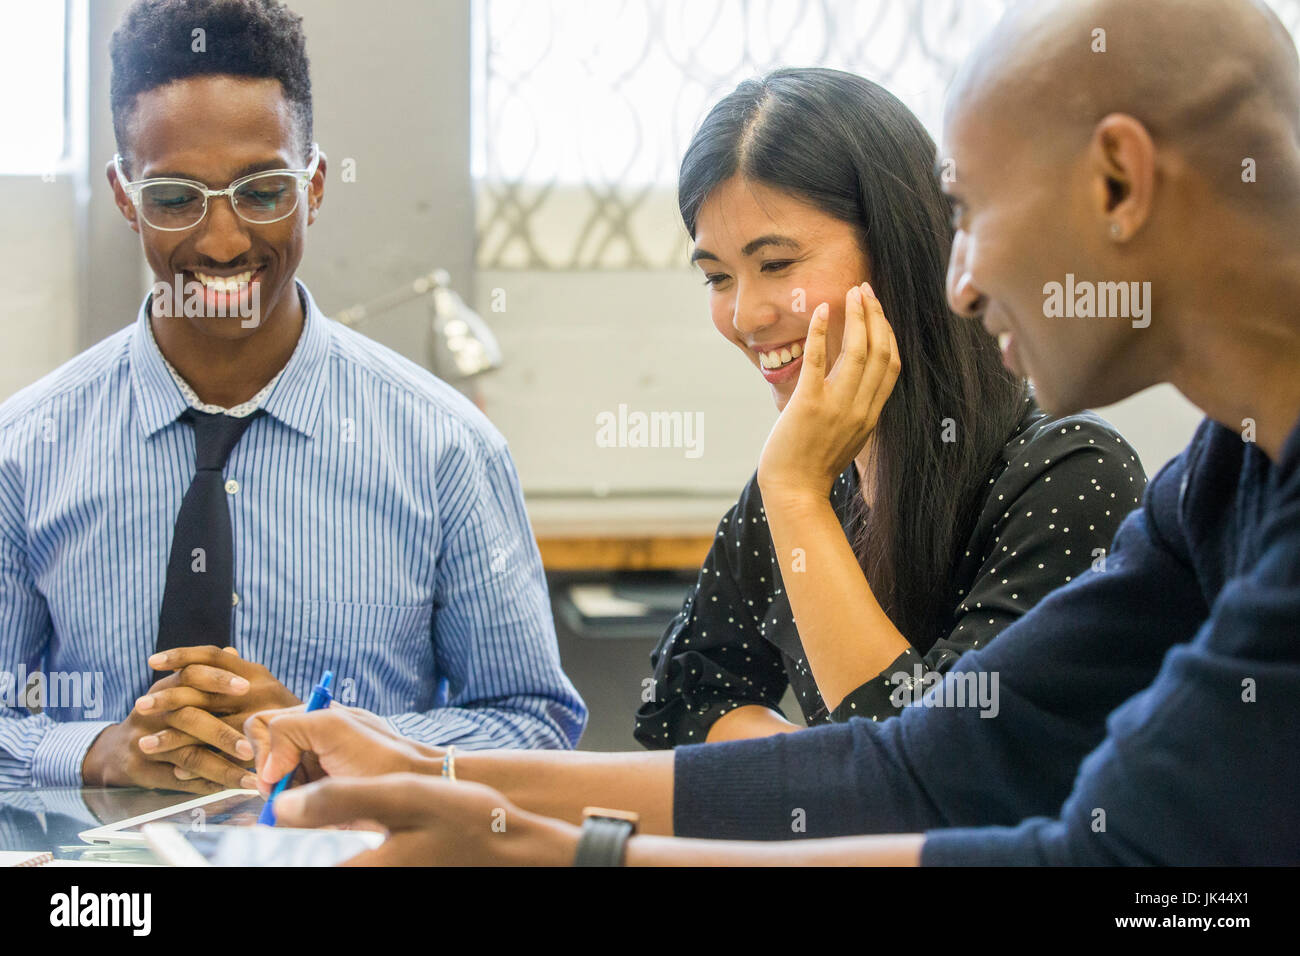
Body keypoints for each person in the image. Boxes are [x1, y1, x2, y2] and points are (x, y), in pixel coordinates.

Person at [243, 0, 1300, 866]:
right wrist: (435, 774)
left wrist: (541, 846)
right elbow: (922, 766)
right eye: (719, 273)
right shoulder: (1221, 475)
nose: (963, 279)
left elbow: (1080, 860)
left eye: (971, 215)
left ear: (1117, 180)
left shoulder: (1076, 471)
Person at [0, 0, 584, 794]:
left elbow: (534, 726)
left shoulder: (445, 447)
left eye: (262, 191)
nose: (223, 241)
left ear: (313, 187)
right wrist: (98, 752)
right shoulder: (25, 450)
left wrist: (346, 742)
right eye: (175, 198)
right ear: (124, 196)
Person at [635, 69, 1144, 747]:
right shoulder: (807, 478)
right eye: (719, 278)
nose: (746, 314)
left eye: (778, 265)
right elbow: (681, 701)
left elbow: (935, 772)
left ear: (896, 250)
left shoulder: (1074, 475)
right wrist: (814, 777)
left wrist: (795, 497)